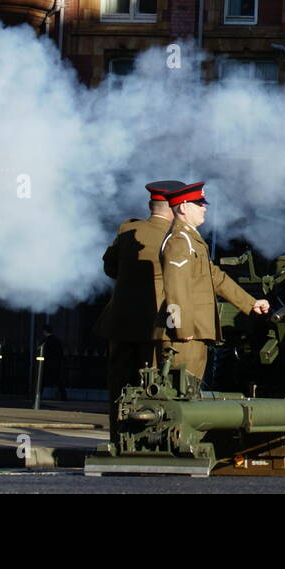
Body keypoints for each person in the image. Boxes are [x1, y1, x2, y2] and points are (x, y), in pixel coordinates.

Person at [159, 182, 269, 382]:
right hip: (185, 334)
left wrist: (250, 303)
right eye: (198, 203)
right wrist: (181, 327)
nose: (204, 207)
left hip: (195, 331)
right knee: (180, 392)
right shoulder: (179, 241)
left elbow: (216, 277)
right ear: (183, 207)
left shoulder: (191, 239)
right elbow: (175, 288)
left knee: (190, 391)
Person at [95, 180, 181, 435]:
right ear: (175, 208)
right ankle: (146, 438)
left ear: (150, 205)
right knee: (152, 383)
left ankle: (116, 438)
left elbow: (109, 267)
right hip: (155, 322)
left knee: (118, 384)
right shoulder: (176, 236)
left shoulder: (127, 229)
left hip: (120, 320)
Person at [41, 325, 67, 400]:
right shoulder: (57, 340)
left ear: (45, 331)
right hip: (56, 364)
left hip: (47, 364)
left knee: (42, 380)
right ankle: (63, 397)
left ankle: (38, 395)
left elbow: (44, 353)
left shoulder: (46, 341)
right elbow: (61, 353)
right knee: (58, 381)